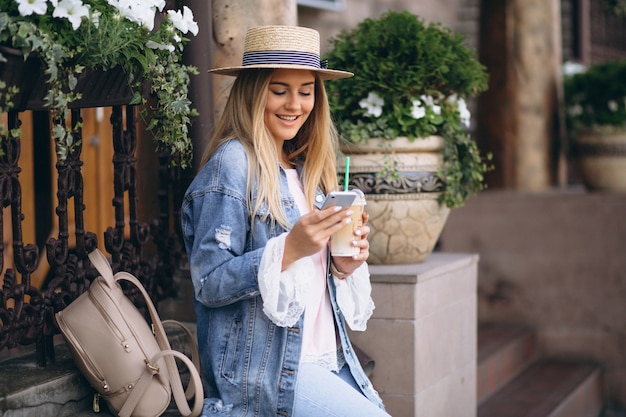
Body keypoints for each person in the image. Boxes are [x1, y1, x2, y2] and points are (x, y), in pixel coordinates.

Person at [181, 25, 390, 417]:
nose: (294, 104)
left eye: (306, 91)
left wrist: (342, 266)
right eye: (279, 90)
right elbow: (208, 281)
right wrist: (288, 250)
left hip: (330, 355)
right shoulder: (232, 165)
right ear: (253, 92)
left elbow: (306, 280)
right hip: (271, 372)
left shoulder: (306, 171)